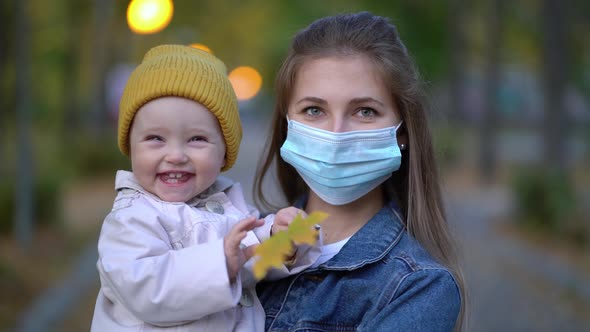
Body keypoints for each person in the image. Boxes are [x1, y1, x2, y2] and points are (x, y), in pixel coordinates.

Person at [254, 12, 466, 331]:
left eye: (365, 111)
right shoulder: (238, 246)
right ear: (287, 124)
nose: (337, 133)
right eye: (314, 110)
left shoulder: (419, 288)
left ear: (403, 130)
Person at [91, 44, 318, 331]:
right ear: (130, 147)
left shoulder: (225, 205)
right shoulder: (130, 219)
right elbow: (148, 291)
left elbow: (247, 259)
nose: (175, 155)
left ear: (224, 152)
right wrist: (222, 262)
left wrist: (277, 239)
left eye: (197, 139)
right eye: (155, 139)